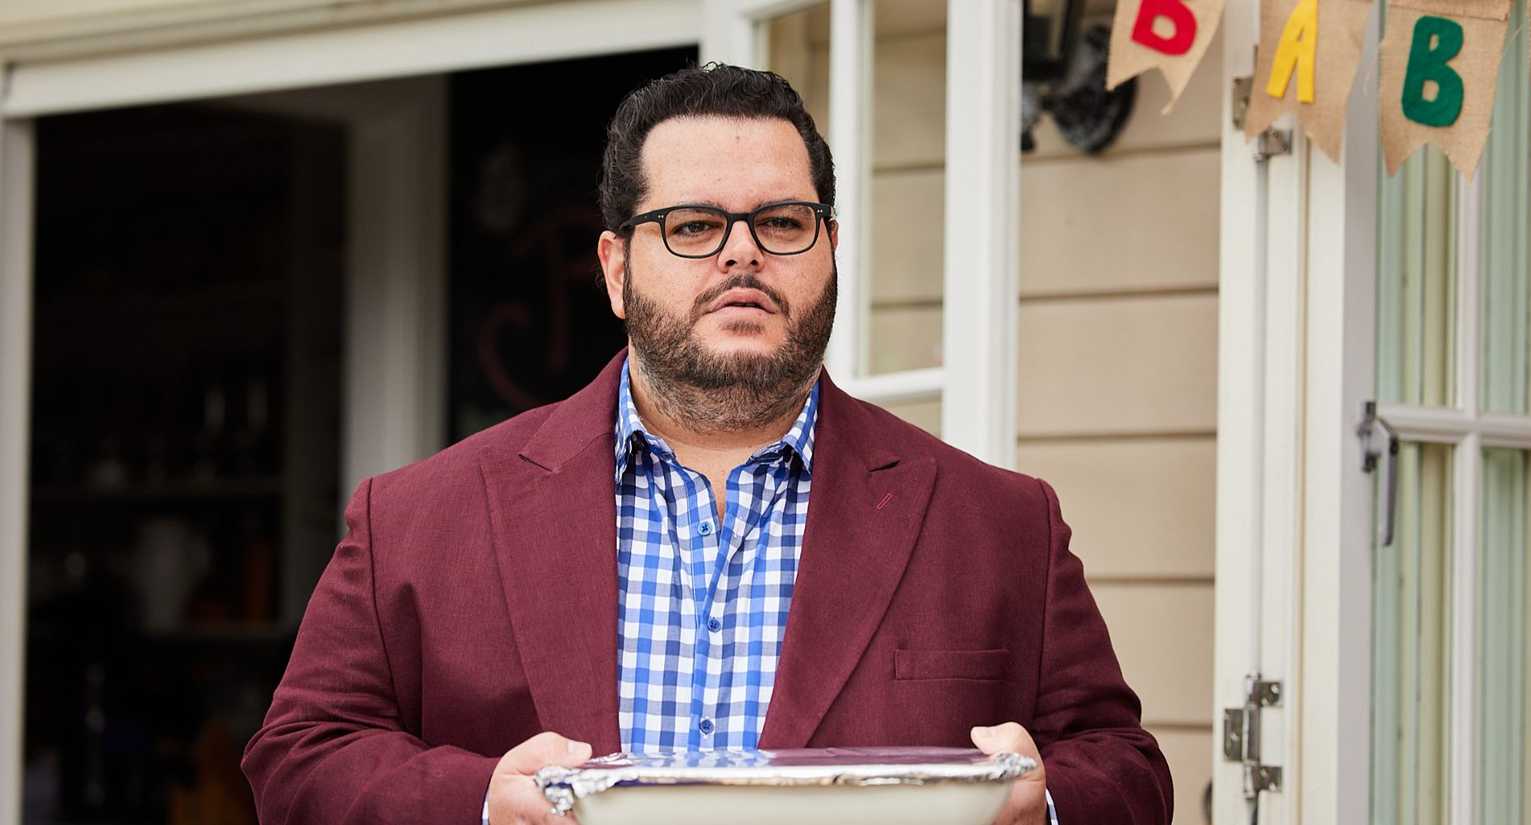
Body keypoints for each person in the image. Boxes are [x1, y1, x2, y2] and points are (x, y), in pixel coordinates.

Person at [241, 63, 1173, 825]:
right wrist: (479, 800)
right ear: (615, 269)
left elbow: (1126, 768)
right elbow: (299, 756)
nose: (741, 254)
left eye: (781, 222)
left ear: (830, 249)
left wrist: (1042, 799)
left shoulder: (1002, 523)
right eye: (691, 225)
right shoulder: (415, 517)